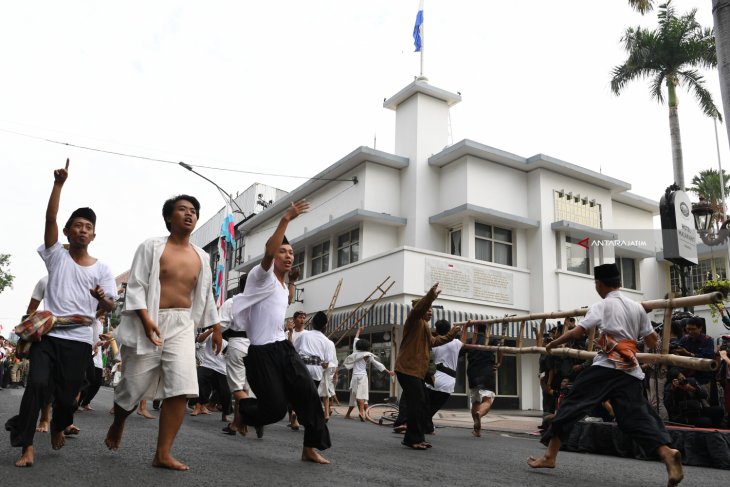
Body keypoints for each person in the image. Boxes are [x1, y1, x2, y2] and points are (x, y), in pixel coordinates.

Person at [528, 263, 683, 487]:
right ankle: (667, 453)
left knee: (571, 404)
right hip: (630, 370)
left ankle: (550, 456)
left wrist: (554, 342)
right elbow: (653, 341)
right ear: (619, 283)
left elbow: (578, 331)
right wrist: (631, 345)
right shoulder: (636, 307)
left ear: (598, 284)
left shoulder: (601, 306)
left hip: (606, 367)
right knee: (635, 418)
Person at [5, 159, 117, 468]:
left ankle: (58, 423)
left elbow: (109, 306)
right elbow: (50, 217)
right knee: (37, 385)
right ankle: (26, 446)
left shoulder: (103, 269)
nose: (83, 230)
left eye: (89, 227)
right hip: (49, 336)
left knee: (68, 399)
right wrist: (58, 185)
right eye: (78, 226)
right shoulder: (56, 257)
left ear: (93, 235)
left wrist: (102, 300)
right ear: (68, 232)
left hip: (80, 339)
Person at [105, 194, 221, 471]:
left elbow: (206, 296)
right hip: (151, 321)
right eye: (182, 210)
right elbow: (136, 286)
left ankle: (163, 453)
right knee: (131, 389)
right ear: (169, 217)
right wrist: (146, 320)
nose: (189, 214)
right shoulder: (151, 247)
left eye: (193, 210)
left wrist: (216, 328)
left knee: (181, 388)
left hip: (183, 325)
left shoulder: (202, 257)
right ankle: (119, 420)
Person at [233, 199, 331, 464]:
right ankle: (243, 408)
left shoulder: (279, 285)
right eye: (283, 251)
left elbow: (284, 300)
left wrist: (292, 282)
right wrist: (286, 218)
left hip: (283, 348)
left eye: (291, 252)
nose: (288, 255)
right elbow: (268, 251)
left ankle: (310, 447)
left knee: (309, 396)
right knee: (275, 409)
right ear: (274, 256)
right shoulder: (260, 276)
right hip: (262, 353)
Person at [394, 284, 460, 450]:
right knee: (416, 403)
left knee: (421, 404)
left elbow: (434, 342)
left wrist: (452, 334)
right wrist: (431, 296)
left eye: (432, 309)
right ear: (420, 309)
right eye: (428, 308)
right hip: (407, 369)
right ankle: (412, 439)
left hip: (416, 372)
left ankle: (417, 436)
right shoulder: (414, 320)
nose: (430, 311)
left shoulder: (425, 327)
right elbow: (418, 309)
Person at [220, 275, 252, 436]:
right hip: (254, 347)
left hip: (238, 343)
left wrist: (215, 336)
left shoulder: (233, 302)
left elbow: (221, 325)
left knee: (237, 388)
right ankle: (238, 424)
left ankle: (254, 415)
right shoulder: (258, 302)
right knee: (245, 387)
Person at [343, 327, 394, 421]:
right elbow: (378, 364)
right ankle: (362, 413)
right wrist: (388, 371)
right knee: (362, 396)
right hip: (362, 377)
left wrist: (358, 331)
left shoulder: (355, 352)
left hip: (354, 377)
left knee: (354, 396)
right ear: (367, 347)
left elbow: (355, 339)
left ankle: (357, 414)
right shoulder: (368, 355)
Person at [424, 319, 463, 435]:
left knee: (427, 406)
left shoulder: (434, 343)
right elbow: (464, 341)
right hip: (447, 381)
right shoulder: (456, 343)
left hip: (432, 379)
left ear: (437, 330)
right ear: (449, 329)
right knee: (432, 408)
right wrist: (466, 328)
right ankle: (424, 427)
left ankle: (428, 428)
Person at [463, 324, 502, 437]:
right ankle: (479, 413)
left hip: (472, 373)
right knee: (487, 400)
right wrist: (499, 362)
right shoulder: (491, 340)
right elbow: (500, 348)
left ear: (475, 329)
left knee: (475, 401)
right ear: (486, 330)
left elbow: (461, 350)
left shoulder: (471, 341)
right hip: (487, 372)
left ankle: (477, 429)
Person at [673, 316, 715, 403]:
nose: (690, 332)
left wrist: (689, 354)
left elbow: (707, 358)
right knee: (690, 404)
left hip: (702, 379)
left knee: (704, 401)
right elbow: (676, 346)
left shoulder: (708, 340)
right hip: (687, 378)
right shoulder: (684, 339)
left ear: (700, 328)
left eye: (693, 329)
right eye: (688, 329)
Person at [294, 311, 336, 390]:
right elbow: (326, 364)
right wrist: (317, 362)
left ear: (312, 323)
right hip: (316, 372)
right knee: (311, 398)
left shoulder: (304, 335)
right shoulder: (328, 342)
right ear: (325, 325)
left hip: (301, 369)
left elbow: (294, 351)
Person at [286, 308, 306, 430]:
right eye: (300, 317)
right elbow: (288, 348)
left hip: (302, 366)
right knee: (290, 392)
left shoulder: (307, 334)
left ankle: (295, 417)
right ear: (294, 320)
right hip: (289, 365)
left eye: (304, 317)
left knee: (299, 392)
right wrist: (289, 332)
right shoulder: (288, 333)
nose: (302, 319)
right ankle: (292, 417)